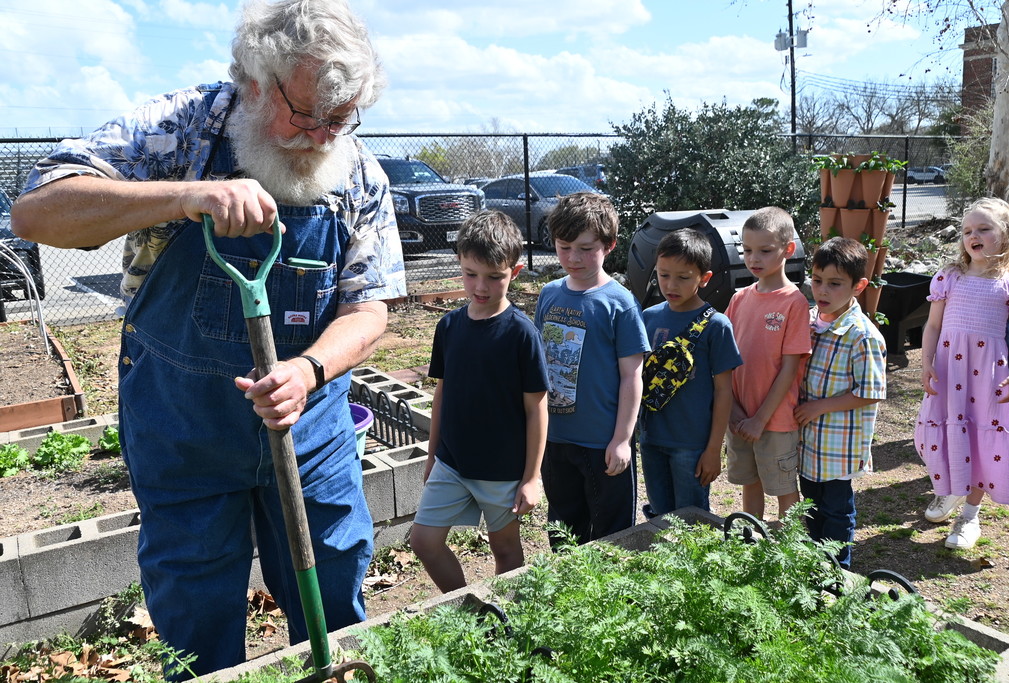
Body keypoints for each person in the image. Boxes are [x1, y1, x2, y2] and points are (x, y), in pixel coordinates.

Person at [10, 0, 405, 676]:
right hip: (182, 431)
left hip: (308, 436)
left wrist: (308, 370)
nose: (320, 136)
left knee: (334, 607)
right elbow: (37, 209)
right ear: (254, 81)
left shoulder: (358, 172)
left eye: (339, 119)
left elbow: (370, 307)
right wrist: (184, 196)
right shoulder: (178, 130)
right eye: (305, 114)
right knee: (195, 634)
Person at [409, 211, 548, 592]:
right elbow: (442, 393)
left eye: (494, 276)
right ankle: (468, 610)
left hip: (502, 470)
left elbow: (537, 407)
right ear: (460, 264)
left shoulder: (522, 333)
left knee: (504, 548)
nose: (481, 286)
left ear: (514, 272)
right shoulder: (449, 326)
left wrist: (532, 477)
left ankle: (508, 619)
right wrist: (432, 453)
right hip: (452, 463)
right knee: (424, 541)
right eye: (471, 274)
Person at [533, 192, 649, 547]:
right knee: (564, 533)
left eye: (586, 248)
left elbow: (632, 376)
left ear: (610, 245)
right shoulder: (549, 294)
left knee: (612, 537)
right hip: (555, 440)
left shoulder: (620, 303)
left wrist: (622, 439)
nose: (573, 257)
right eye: (564, 246)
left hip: (603, 444)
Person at [915, 197, 1009, 550]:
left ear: (1006, 235)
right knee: (944, 436)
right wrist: (926, 360)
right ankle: (948, 490)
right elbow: (932, 326)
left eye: (983, 229)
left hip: (987, 378)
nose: (972, 236)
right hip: (949, 372)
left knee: (980, 441)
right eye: (966, 231)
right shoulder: (949, 277)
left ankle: (969, 517)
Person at [796, 237, 886, 569]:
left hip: (837, 448)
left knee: (836, 511)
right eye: (817, 281)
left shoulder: (862, 336)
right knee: (812, 507)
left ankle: (837, 572)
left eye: (835, 284)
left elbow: (871, 391)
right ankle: (816, 565)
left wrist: (819, 406)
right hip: (808, 445)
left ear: (858, 286)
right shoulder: (808, 321)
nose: (822, 291)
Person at [638, 229, 741, 514]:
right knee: (659, 515)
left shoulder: (717, 326)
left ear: (704, 278)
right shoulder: (648, 317)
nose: (671, 284)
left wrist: (713, 450)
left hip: (692, 445)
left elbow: (724, 391)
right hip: (651, 438)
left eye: (683, 277)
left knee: (692, 520)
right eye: (663, 274)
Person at [724, 207, 811, 521]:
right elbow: (726, 361)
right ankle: (753, 541)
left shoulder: (794, 302)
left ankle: (789, 550)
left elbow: (789, 369)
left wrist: (760, 419)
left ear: (788, 249)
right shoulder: (738, 299)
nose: (753, 258)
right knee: (750, 480)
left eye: (765, 250)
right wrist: (733, 411)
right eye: (747, 250)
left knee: (784, 486)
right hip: (739, 417)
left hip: (774, 421)